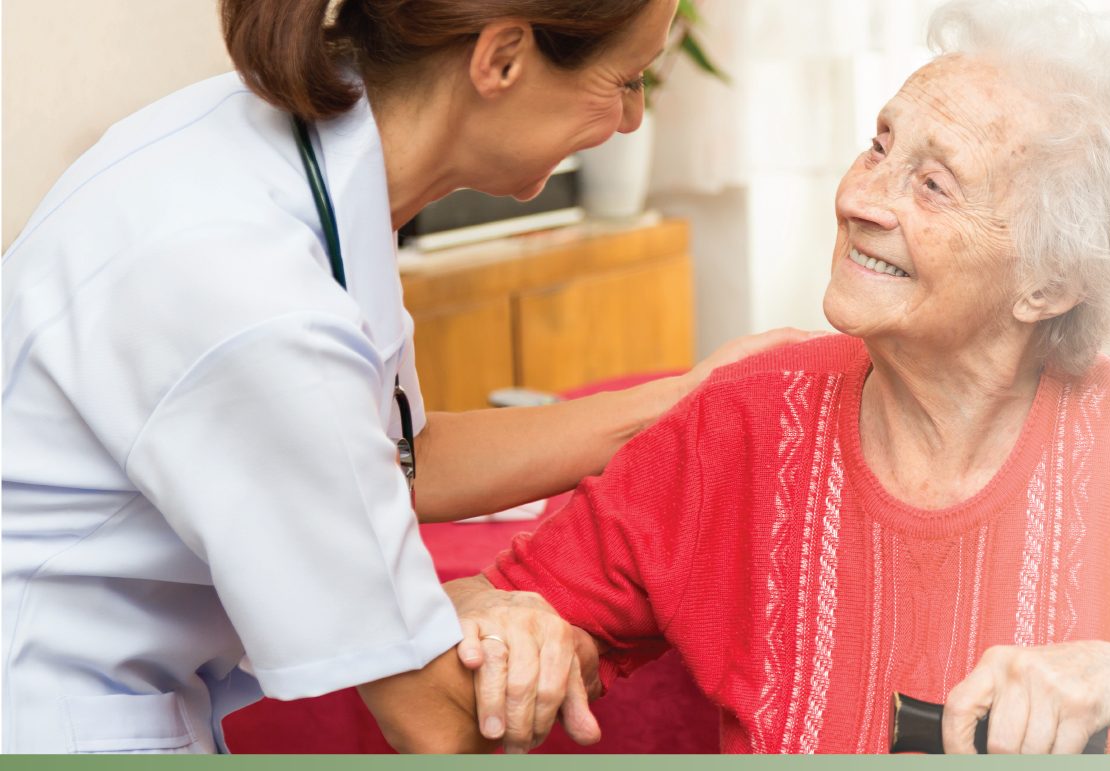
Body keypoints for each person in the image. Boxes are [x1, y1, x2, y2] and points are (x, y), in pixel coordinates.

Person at [374, 0, 1110, 754]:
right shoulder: (746, 424)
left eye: (931, 182)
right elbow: (485, 625)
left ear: (1047, 284)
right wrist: (509, 624)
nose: (863, 197)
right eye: (878, 146)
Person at [1, 0, 796, 754]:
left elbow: (405, 455)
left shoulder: (285, 157)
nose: (631, 120)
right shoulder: (253, 297)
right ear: (503, 58)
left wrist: (690, 398)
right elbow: (437, 717)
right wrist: (498, 609)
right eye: (625, 83)